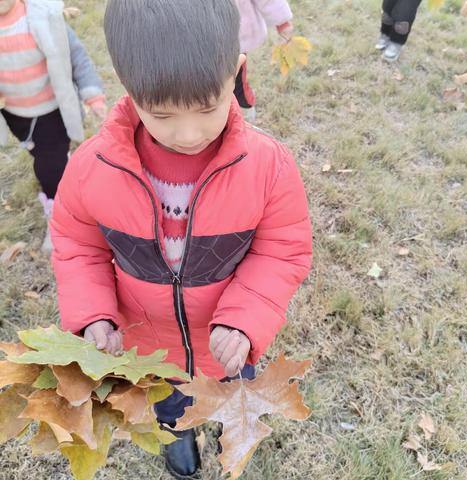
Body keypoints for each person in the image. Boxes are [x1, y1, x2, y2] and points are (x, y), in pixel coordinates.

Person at [51, 0, 312, 478]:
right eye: (163, 115)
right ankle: (177, 434)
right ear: (130, 92)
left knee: (228, 389)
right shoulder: (93, 170)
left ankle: (228, 420)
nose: (188, 132)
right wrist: (92, 315)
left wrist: (245, 321)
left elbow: (281, 250)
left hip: (225, 339)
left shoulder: (269, 167)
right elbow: (77, 247)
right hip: (146, 343)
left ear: (235, 72)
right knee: (169, 403)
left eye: (206, 108)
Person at [0, 0, 106, 252]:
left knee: (49, 167)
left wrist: (93, 96)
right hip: (16, 113)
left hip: (51, 110)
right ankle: (57, 168)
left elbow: (76, 55)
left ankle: (60, 215)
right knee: (39, 152)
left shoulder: (43, 16)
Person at [235, 0, 294, 121]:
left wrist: (282, 22)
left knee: (236, 80)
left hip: (235, 35)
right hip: (197, 36)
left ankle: (245, 111)